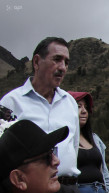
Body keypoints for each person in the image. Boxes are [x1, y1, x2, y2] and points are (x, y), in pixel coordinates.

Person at [0, 37, 80, 183]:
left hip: (68, 190)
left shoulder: (70, 103)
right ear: (36, 62)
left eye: (66, 62)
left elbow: (74, 147)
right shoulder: (11, 102)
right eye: (57, 59)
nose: (62, 67)